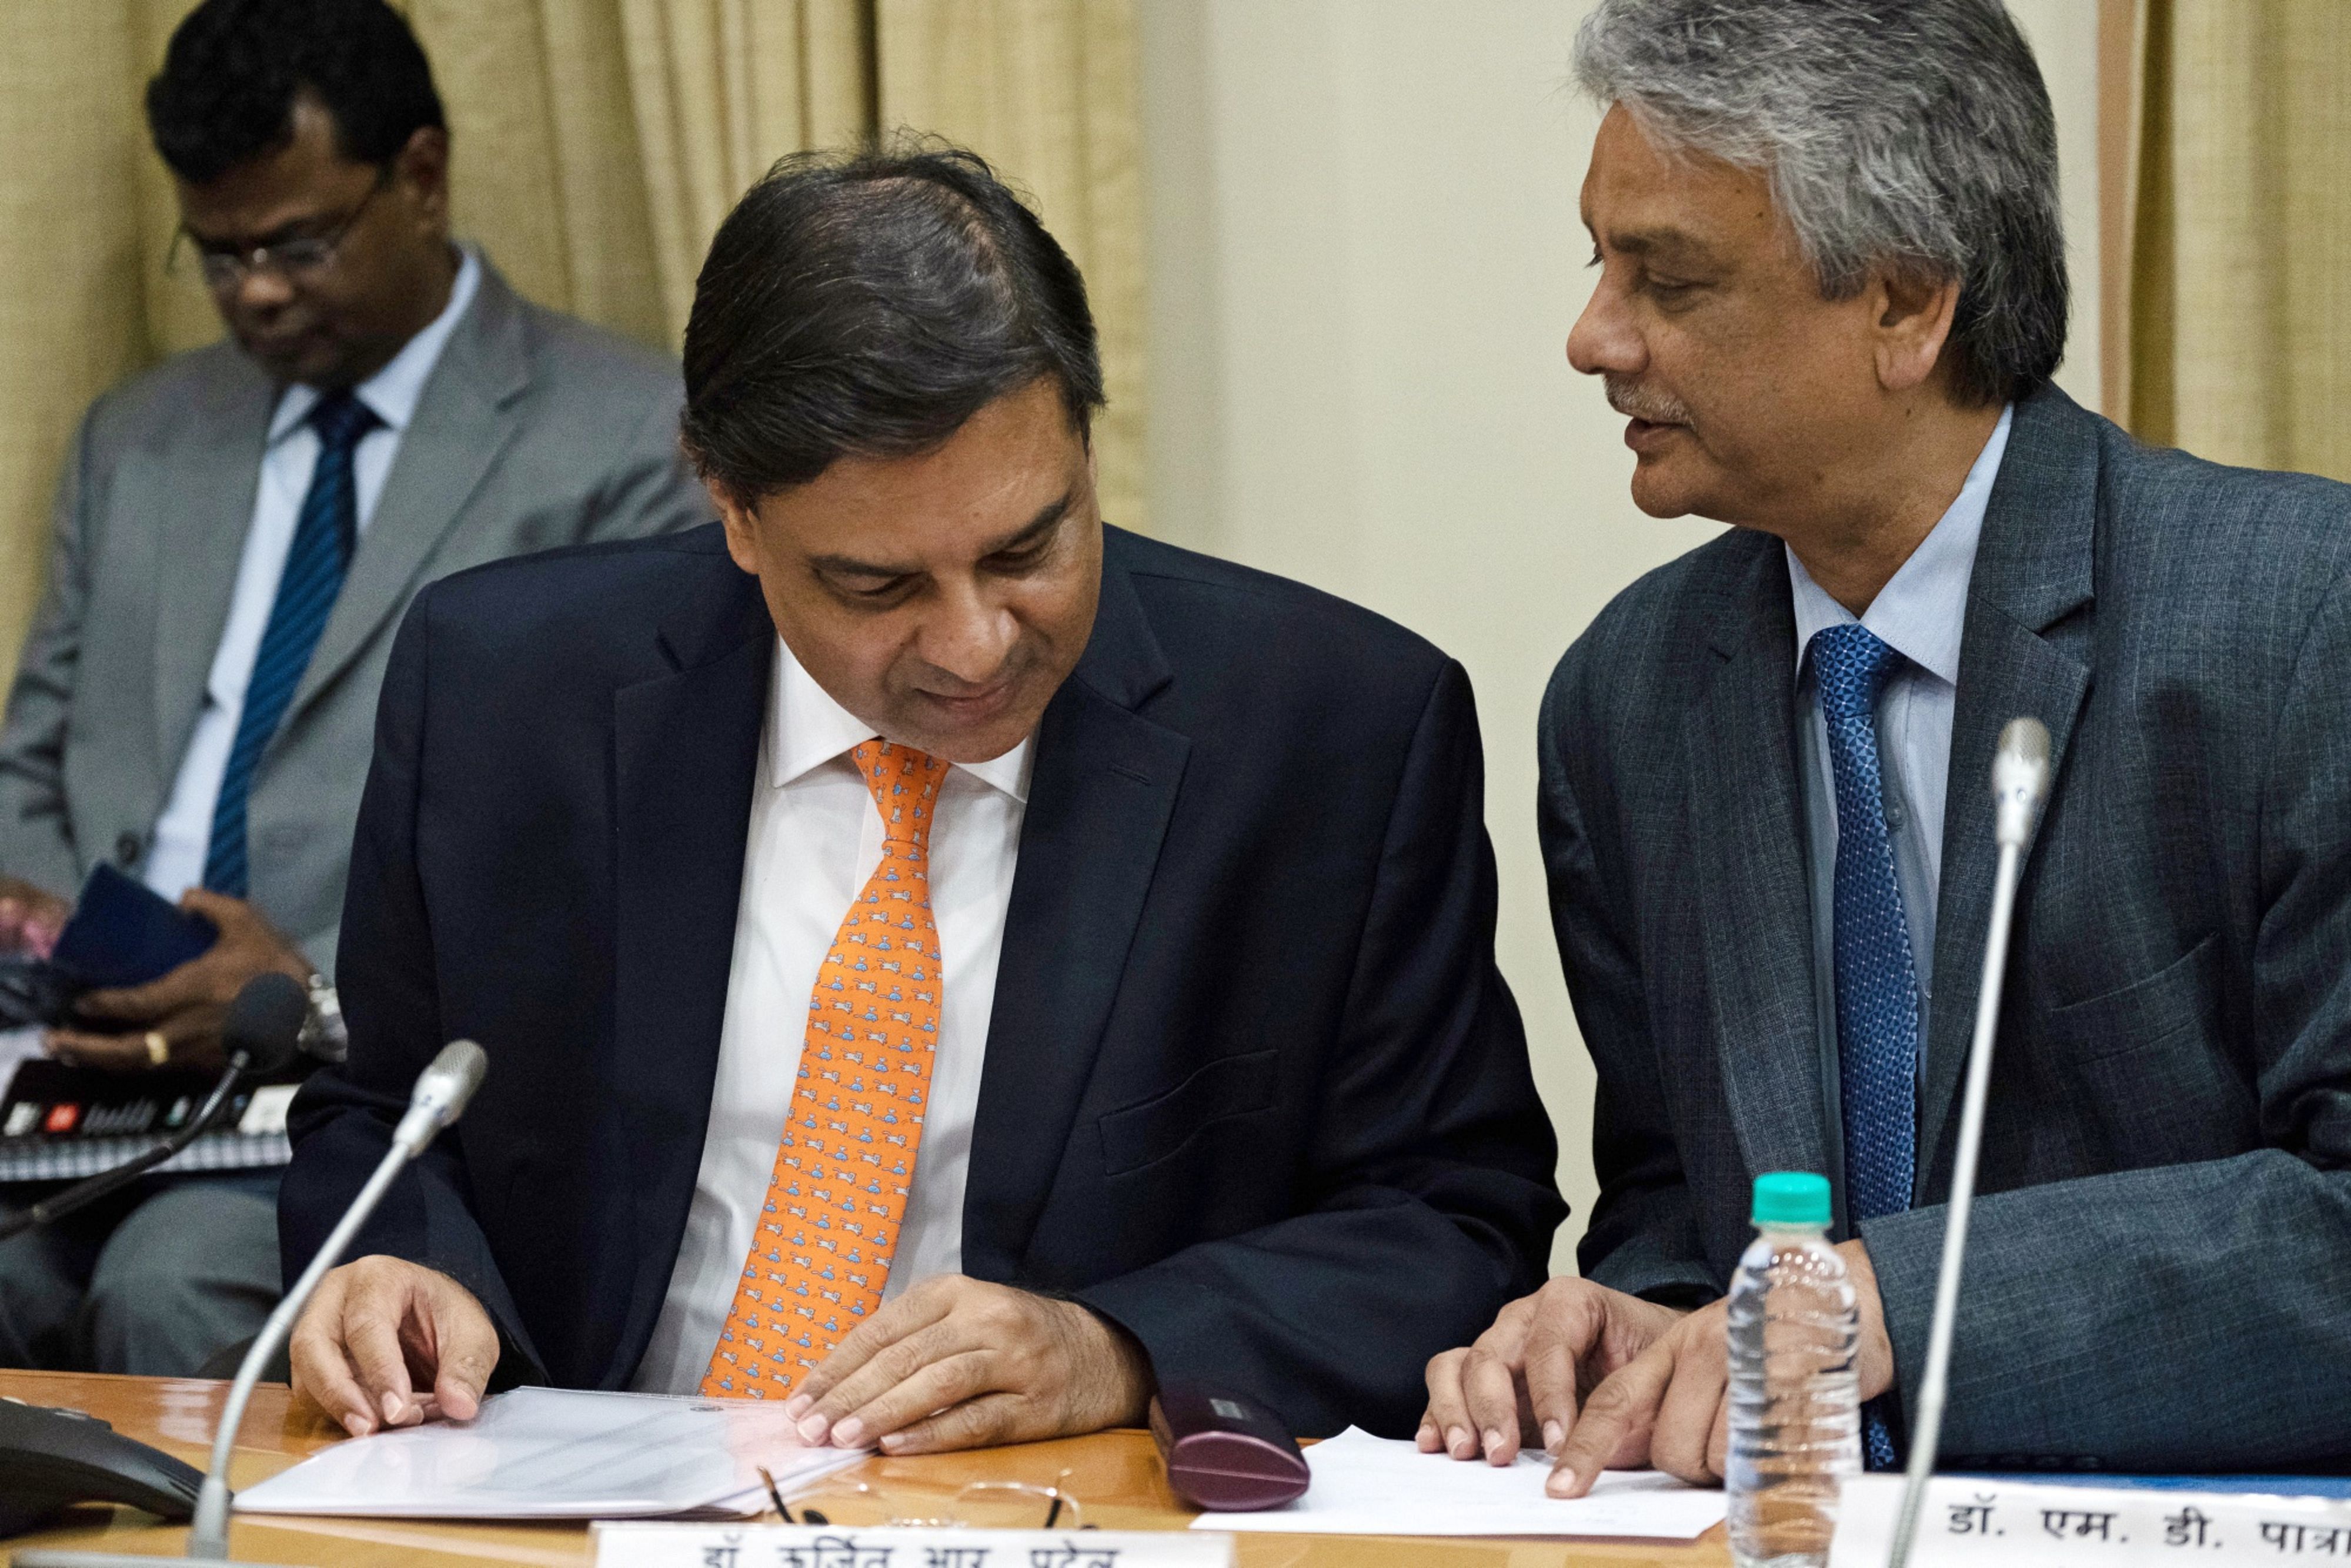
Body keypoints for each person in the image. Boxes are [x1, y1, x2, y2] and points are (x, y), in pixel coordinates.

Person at [278, 144, 1564, 1452]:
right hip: (577, 1488)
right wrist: (405, 1268)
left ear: (1082, 434)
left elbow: (1455, 1215)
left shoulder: (1328, 729)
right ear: (733, 510)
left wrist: (1118, 1344)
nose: (975, 645)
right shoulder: (504, 691)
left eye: (1028, 548)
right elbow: (381, 1112)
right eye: (877, 586)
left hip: (1048, 1509)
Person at [1424, 0, 2351, 1493]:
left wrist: (1883, 1304)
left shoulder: (2301, 620)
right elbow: (1677, 1207)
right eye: (1598, 263)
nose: (1594, 337)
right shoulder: (1627, 696)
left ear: (1908, 305)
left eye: (1666, 278)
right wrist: (1626, 1320)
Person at [0, 0, 705, 1376]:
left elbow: (613, 857)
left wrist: (310, 990)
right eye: (218, 254)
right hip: (84, 1064)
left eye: (298, 243)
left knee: (166, 1281)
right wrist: (40, 922)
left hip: (354, 1083)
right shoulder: (137, 437)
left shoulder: (620, 440)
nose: (256, 289)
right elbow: (31, 760)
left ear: (423, 175)